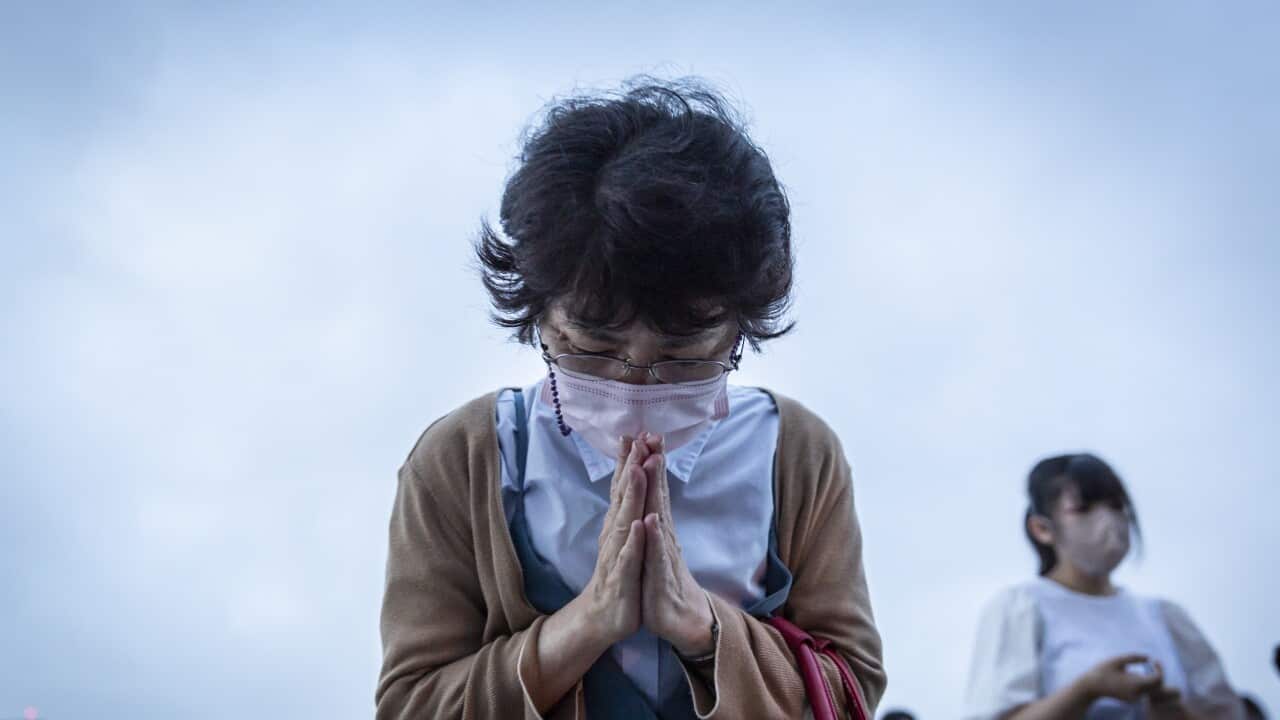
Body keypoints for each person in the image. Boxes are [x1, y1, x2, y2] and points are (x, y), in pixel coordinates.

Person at [375, 78, 886, 719]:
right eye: (593, 340)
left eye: (682, 350)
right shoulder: (467, 457)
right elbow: (411, 706)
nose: (635, 383)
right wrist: (587, 622)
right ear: (538, 315)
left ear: (740, 327)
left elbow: (851, 688)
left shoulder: (795, 452)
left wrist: (701, 627)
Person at [962, 453, 1243, 720]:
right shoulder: (1021, 607)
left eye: (1116, 506)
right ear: (1042, 529)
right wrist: (1087, 690)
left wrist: (1175, 712)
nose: (1107, 521)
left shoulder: (1165, 617)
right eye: (1083, 509)